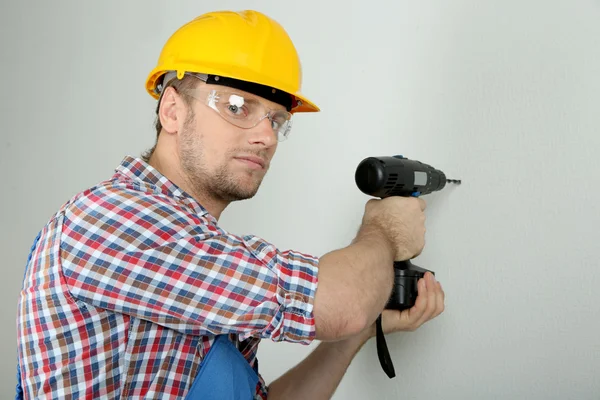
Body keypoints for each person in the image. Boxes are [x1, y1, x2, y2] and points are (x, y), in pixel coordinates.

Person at [15, 9, 445, 400]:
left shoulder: (201, 248)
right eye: (238, 106)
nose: (267, 136)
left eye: (277, 120)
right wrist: (385, 232)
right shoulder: (115, 221)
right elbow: (340, 304)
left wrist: (354, 336)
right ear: (172, 111)